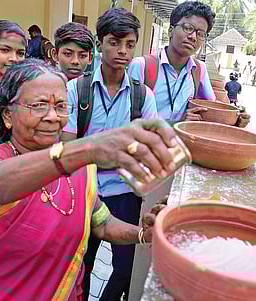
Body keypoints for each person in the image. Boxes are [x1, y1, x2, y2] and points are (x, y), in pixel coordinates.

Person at [0, 58, 177, 301]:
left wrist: (143, 233)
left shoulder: (79, 166)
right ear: (7, 114)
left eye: (60, 106)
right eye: (38, 106)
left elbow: (100, 222)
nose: (52, 116)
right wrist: (85, 150)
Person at [61, 8, 157, 300]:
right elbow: (68, 148)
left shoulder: (143, 96)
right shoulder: (76, 90)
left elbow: (145, 150)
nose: (123, 51)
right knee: (80, 267)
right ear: (99, 43)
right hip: (84, 192)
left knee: (125, 268)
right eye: (115, 42)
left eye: (129, 44)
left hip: (126, 194)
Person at [129, 1, 250, 128]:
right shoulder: (142, 66)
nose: (193, 37)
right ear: (170, 30)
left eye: (201, 34)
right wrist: (176, 124)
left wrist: (236, 118)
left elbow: (211, 108)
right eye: (187, 28)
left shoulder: (199, 70)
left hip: (180, 145)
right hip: (145, 145)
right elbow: (125, 119)